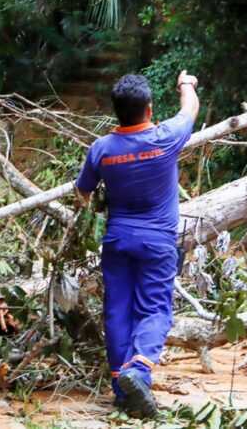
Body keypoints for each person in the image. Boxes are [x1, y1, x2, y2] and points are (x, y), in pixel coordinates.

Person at [75, 70, 199, 418]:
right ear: (148, 107)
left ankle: (121, 388)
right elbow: (190, 110)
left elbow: (82, 193)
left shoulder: (101, 150)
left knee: (117, 311)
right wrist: (185, 84)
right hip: (157, 243)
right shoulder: (165, 138)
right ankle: (139, 370)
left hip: (116, 241)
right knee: (155, 310)